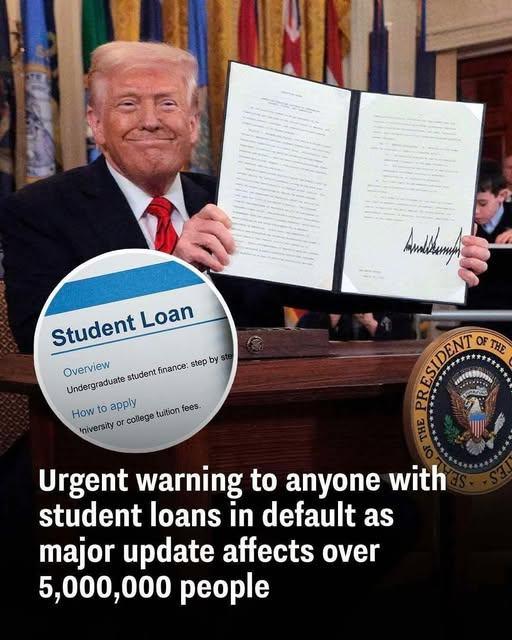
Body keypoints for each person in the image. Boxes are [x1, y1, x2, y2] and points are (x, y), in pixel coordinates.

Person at [0, 41, 490, 354]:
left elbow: (331, 279)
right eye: (128, 104)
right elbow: (42, 335)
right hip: (110, 441)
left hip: (254, 428)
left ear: (193, 124)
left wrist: (433, 264)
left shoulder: (240, 196)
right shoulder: (37, 211)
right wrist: (171, 271)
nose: (150, 120)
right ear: (96, 124)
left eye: (168, 103)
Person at [462, 159, 512, 337]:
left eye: (482, 203)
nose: (475, 211)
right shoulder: (461, 221)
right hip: (471, 316)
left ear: (502, 195)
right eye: (471, 203)